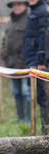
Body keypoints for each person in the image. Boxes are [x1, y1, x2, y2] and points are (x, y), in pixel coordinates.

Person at [22, 0, 49, 134]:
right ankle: (44, 128)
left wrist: (42, 60)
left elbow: (44, 37)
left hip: (40, 61)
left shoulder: (44, 10)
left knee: (44, 96)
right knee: (40, 95)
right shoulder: (34, 10)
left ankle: (45, 130)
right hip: (33, 59)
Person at [1, 0, 30, 124]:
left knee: (26, 92)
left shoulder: (30, 20)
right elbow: (4, 41)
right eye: (14, 5)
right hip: (11, 65)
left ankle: (28, 121)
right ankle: (20, 120)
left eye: (19, 4)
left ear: (25, 5)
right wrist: (4, 55)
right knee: (16, 92)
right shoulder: (10, 21)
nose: (16, 7)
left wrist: (26, 58)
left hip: (25, 64)